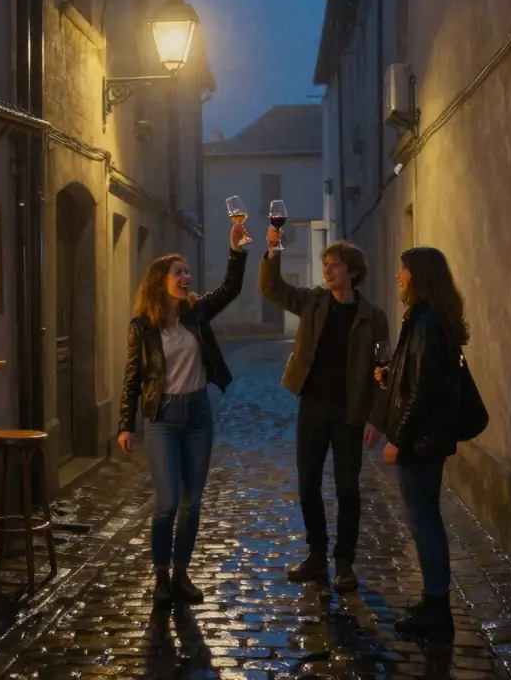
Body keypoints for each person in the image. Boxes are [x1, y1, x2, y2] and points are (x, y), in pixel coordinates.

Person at [117, 221, 249, 607]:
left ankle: (181, 574)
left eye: (187, 272)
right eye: (179, 273)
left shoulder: (196, 313)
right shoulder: (142, 327)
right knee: (168, 503)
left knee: (192, 503)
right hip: (162, 418)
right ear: (161, 282)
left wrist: (236, 251)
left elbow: (231, 289)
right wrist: (125, 425)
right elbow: (132, 378)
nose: (186, 277)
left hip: (198, 416)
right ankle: (160, 575)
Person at [258, 225, 389, 591]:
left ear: (353, 272)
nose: (327, 270)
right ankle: (317, 555)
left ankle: (344, 561)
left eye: (334, 265)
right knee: (308, 487)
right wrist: (272, 253)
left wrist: (376, 418)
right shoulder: (314, 302)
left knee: (348, 489)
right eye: (325, 264)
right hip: (313, 407)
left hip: (350, 413)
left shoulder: (373, 317)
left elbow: (384, 371)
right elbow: (272, 288)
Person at [374, 246, 466, 638]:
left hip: (421, 441)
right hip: (427, 438)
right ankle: (433, 601)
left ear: (419, 275)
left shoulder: (426, 321)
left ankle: (436, 608)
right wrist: (390, 373)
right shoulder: (428, 318)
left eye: (403, 269)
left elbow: (423, 390)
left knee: (424, 522)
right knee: (424, 520)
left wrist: (399, 438)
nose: (398, 275)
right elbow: (416, 372)